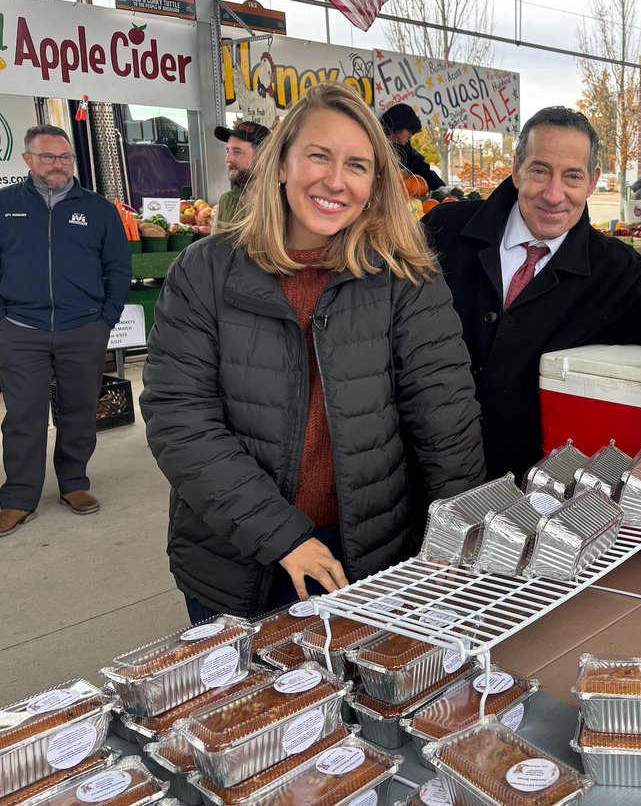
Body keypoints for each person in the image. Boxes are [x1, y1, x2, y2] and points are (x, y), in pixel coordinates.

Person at [141, 83, 484, 620]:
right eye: (318, 156)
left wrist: (459, 543)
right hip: (234, 552)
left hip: (368, 553)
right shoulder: (205, 270)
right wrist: (281, 536)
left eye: (357, 165)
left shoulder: (406, 278)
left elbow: (446, 420)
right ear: (281, 164)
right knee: (246, 703)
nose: (334, 180)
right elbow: (179, 421)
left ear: (374, 184)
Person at [423, 106, 641, 482]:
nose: (554, 195)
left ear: (592, 182)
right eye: (540, 171)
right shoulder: (443, 230)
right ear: (516, 169)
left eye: (572, 177)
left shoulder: (614, 271)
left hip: (523, 491)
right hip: (421, 471)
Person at [0, 125, 132, 537]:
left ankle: (74, 483)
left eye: (64, 157)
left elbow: (118, 268)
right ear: (27, 160)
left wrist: (103, 320)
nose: (58, 165)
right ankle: (19, 496)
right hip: (20, 329)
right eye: (47, 157)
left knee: (78, 410)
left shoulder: (98, 209)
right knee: (24, 415)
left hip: (82, 328)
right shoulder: (5, 205)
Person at [213, 120, 270, 229]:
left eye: (237, 152)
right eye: (227, 151)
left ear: (263, 157)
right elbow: (213, 245)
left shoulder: (283, 203)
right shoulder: (227, 201)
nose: (228, 159)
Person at [380, 102, 446, 193]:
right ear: (397, 126)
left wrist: (441, 187)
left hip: (406, 200)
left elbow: (421, 168)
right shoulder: (377, 146)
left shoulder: (406, 148)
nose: (411, 136)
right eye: (409, 130)